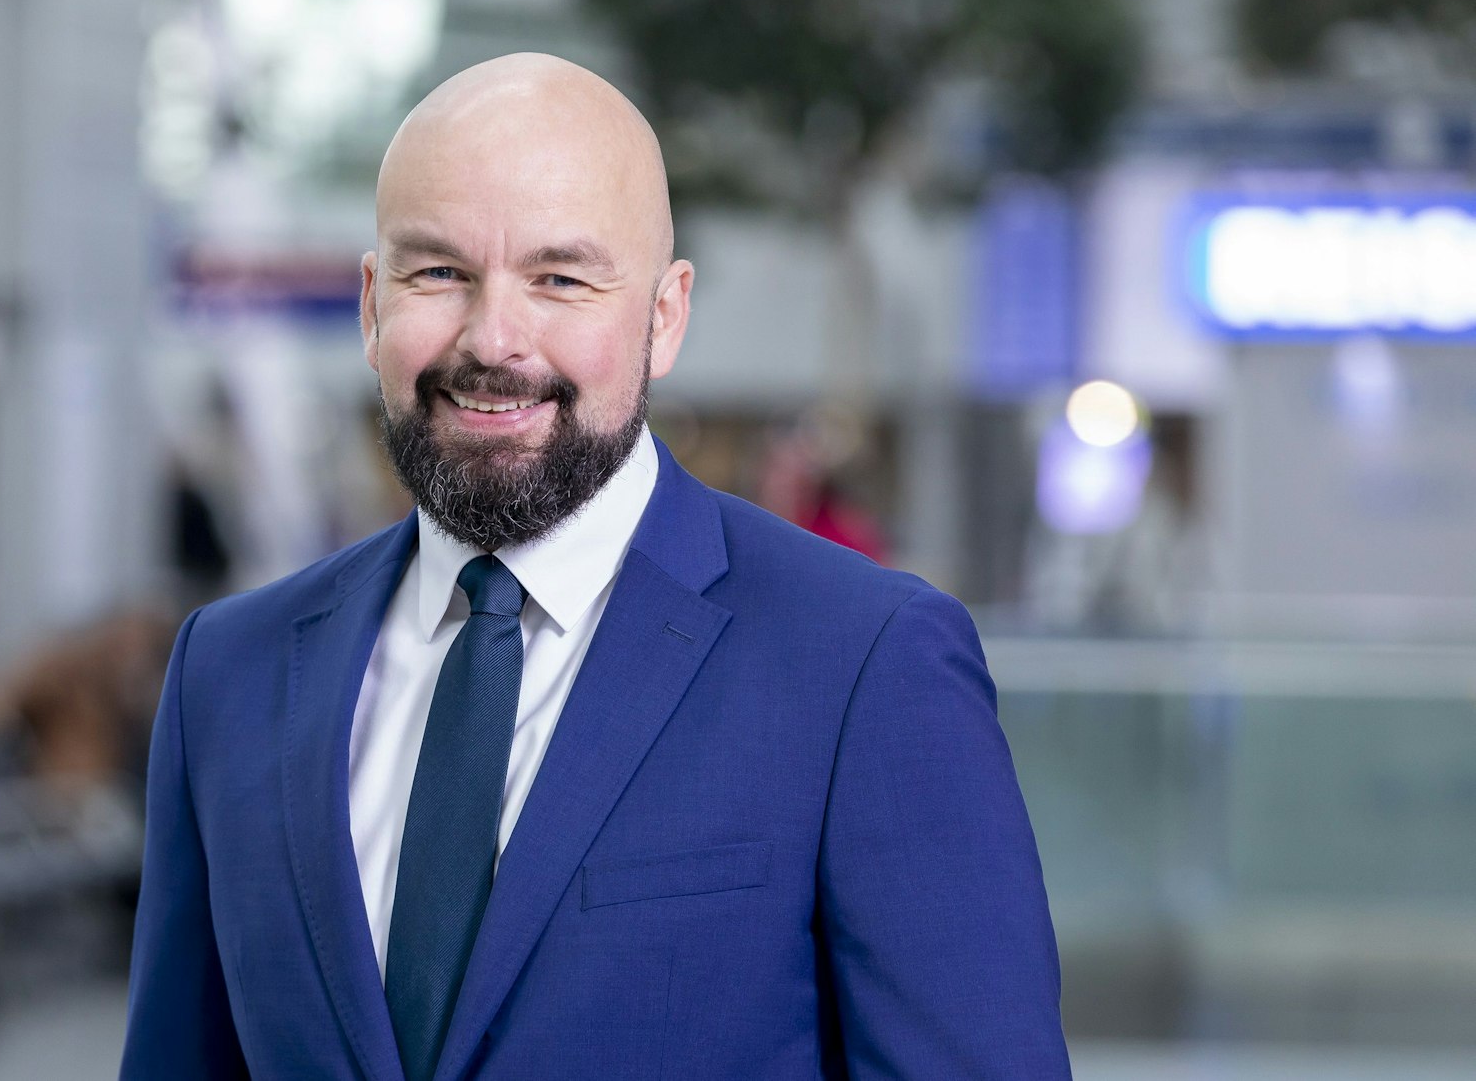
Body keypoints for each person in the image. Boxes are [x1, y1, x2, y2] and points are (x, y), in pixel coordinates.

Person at [121, 54, 1068, 1080]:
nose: (493, 338)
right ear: (369, 303)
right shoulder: (232, 670)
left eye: (560, 278)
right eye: (437, 272)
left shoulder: (860, 664)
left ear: (663, 316)